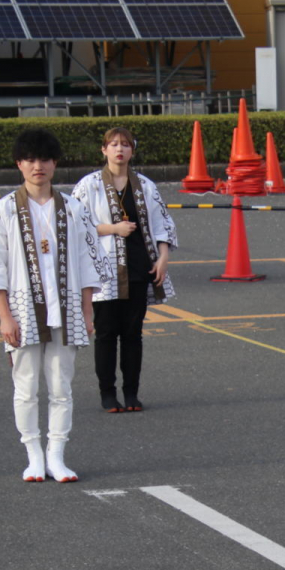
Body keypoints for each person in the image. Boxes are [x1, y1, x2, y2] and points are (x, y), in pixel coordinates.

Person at [0, 128, 105, 482]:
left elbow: (88, 260)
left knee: (61, 387)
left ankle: (57, 455)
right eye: (30, 159)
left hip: (67, 309)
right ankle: (33, 455)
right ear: (19, 164)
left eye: (44, 159)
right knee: (26, 387)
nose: (37, 166)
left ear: (54, 163)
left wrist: (87, 311)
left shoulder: (74, 209)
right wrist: (4, 316)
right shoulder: (3, 211)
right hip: (23, 311)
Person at [70, 127, 177, 413]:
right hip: (103, 271)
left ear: (132, 150)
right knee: (106, 333)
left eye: (126, 145)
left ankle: (131, 392)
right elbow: (74, 224)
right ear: (103, 150)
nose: (120, 149)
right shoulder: (88, 185)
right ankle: (107, 393)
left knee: (133, 334)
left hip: (139, 267)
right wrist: (112, 228)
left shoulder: (145, 185)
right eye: (114, 144)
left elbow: (162, 223)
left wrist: (163, 257)